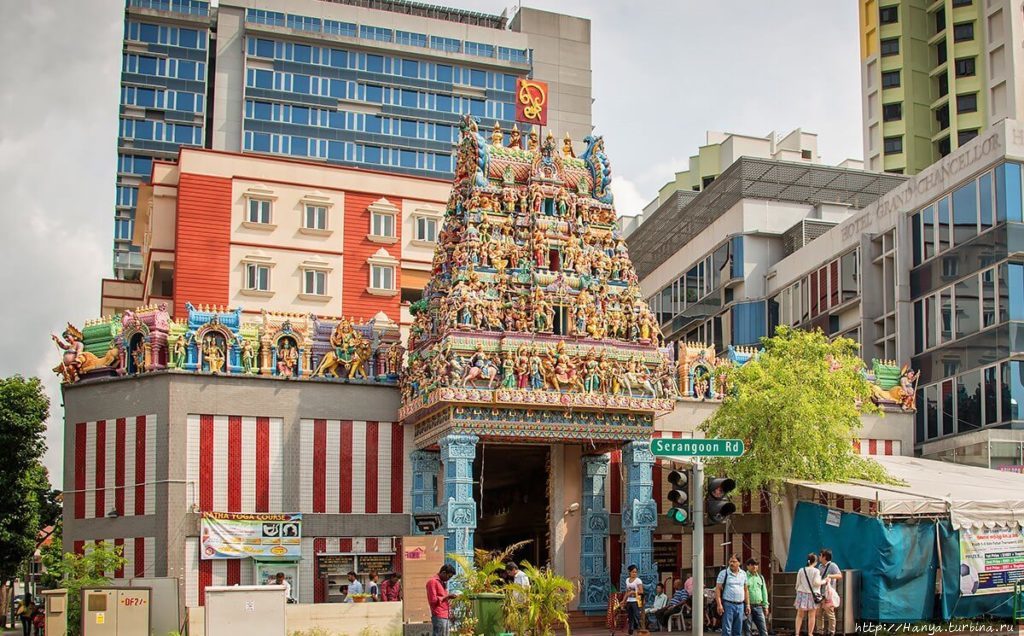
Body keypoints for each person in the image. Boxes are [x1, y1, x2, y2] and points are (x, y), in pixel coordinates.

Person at [715, 555, 749, 636]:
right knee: (727, 630)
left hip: (740, 605)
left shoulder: (743, 574)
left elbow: (746, 590)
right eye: (730, 561)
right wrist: (719, 605)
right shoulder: (724, 573)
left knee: (738, 629)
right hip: (728, 604)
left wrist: (747, 605)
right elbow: (718, 589)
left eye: (734, 561)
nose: (732, 563)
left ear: (739, 563)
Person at [795, 553, 826, 636]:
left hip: (801, 593)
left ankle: (797, 633)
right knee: (812, 615)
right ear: (815, 562)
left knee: (799, 615)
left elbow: (797, 583)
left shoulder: (801, 570)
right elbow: (816, 583)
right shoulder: (816, 571)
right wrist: (824, 581)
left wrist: (797, 591)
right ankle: (810, 633)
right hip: (812, 595)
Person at [816, 549, 843, 636]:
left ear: (824, 557)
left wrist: (830, 576)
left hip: (828, 595)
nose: (819, 557)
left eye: (820, 555)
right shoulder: (819, 566)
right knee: (819, 614)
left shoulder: (832, 565)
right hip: (820, 594)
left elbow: (839, 575)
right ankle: (820, 631)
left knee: (830, 614)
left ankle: (831, 631)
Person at [427, 564, 458, 636]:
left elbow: (445, 600)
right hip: (438, 614)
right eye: (449, 576)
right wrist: (447, 596)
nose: (449, 579)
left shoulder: (442, 583)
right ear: (443, 572)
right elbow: (433, 600)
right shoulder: (432, 582)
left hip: (445, 614)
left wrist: (450, 613)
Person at [744, 559, 769, 636]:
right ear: (748, 566)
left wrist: (766, 606)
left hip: (759, 606)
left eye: (756, 565)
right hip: (747, 606)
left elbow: (764, 592)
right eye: (752, 564)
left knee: (763, 630)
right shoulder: (743, 576)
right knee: (747, 630)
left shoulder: (760, 577)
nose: (754, 566)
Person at [622, 564, 643, 636]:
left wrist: (634, 592)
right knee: (630, 617)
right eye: (633, 572)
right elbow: (627, 592)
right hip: (629, 601)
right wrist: (623, 600)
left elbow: (641, 591)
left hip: (636, 601)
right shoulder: (627, 580)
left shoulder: (638, 580)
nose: (634, 573)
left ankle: (641, 631)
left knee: (637, 616)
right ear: (629, 572)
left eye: (636, 572)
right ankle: (630, 632)